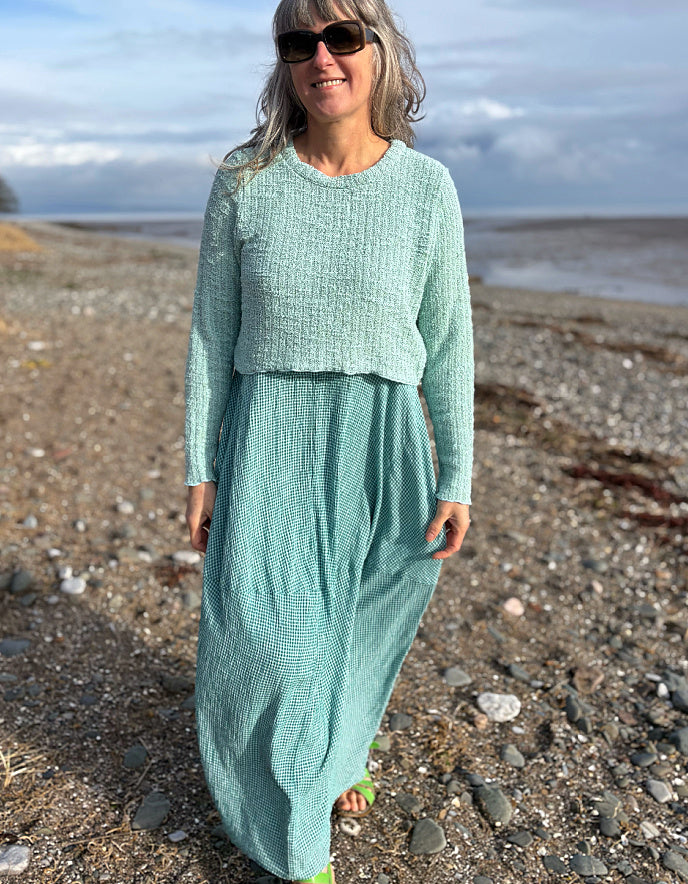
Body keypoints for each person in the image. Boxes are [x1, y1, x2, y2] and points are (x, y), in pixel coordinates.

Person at [184, 0, 474, 881]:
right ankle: (296, 844)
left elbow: (450, 341)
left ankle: (341, 754)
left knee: (364, 622)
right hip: (272, 433)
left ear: (381, 51)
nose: (322, 56)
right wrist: (200, 465)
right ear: (284, 62)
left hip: (385, 440)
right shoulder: (245, 181)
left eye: (343, 36)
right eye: (298, 42)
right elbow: (210, 335)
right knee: (273, 645)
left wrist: (457, 474)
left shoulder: (427, 189)